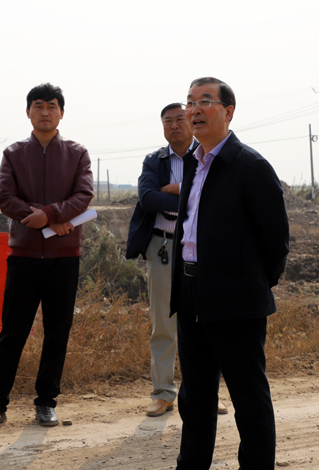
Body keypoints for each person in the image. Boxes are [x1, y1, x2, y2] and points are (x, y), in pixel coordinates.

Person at [171, 77, 289, 469]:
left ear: (229, 112)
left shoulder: (250, 166)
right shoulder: (193, 163)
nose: (194, 109)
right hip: (190, 293)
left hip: (236, 300)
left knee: (248, 399)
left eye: (205, 101)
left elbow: (276, 243)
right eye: (190, 102)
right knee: (195, 398)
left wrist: (249, 284)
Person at [0, 83, 93, 429]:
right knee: (13, 332)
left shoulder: (77, 153)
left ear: (61, 113)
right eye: (38, 106)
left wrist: (49, 213)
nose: (45, 112)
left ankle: (46, 402)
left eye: (51, 106)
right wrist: (44, 218)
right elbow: (6, 198)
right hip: (24, 255)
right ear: (28, 112)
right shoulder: (14, 153)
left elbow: (83, 195)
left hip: (64, 256)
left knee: (57, 332)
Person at [126, 103, 197, 417]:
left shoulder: (206, 156)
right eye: (168, 121)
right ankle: (163, 393)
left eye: (180, 119)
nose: (174, 125)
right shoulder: (154, 160)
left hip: (199, 248)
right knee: (163, 325)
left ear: (191, 121)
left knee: (202, 323)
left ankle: (204, 392)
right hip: (162, 247)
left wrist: (177, 188)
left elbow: (213, 192)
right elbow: (148, 198)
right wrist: (190, 194)